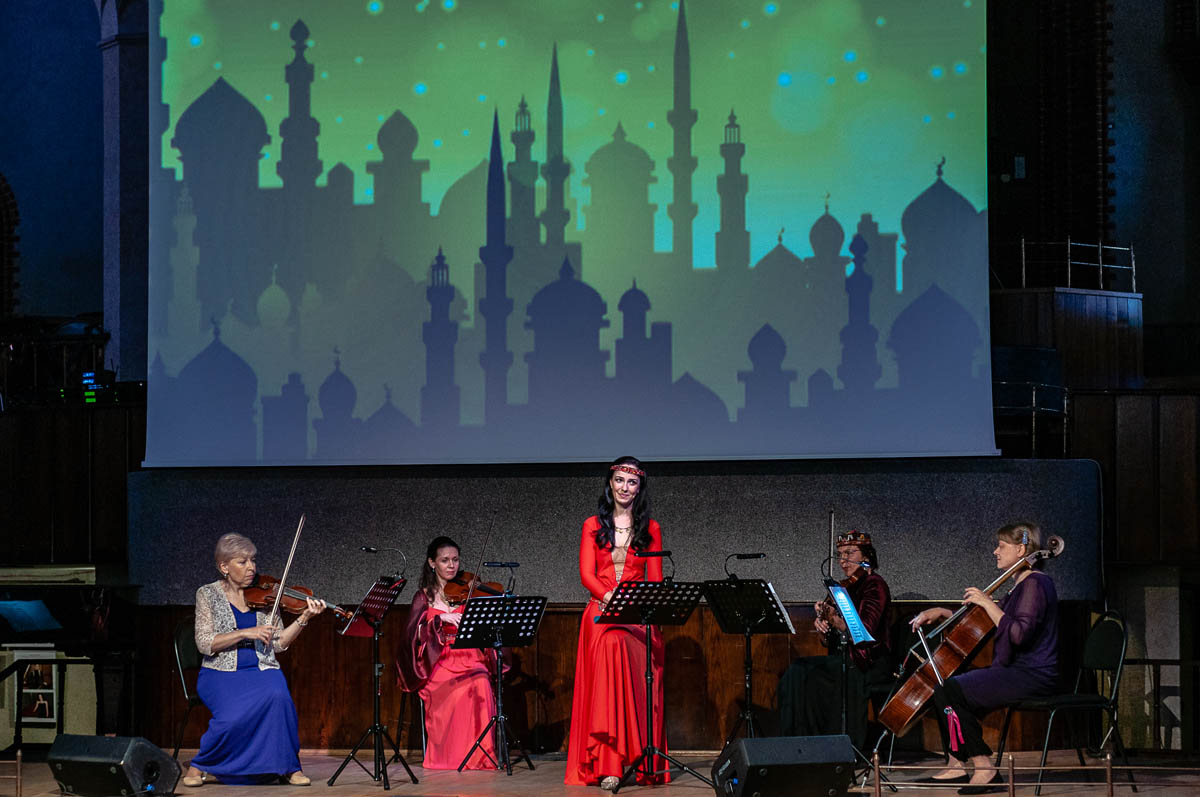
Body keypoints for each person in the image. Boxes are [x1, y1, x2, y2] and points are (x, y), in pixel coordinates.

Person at [909, 522, 1058, 795]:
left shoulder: (1036, 584)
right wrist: (942, 612)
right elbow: (989, 623)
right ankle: (956, 763)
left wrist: (987, 602)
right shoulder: (1019, 586)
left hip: (1032, 674)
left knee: (950, 690)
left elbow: (1018, 634)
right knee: (944, 686)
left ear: (1021, 549)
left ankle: (984, 768)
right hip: (1014, 671)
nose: (995, 552)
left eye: (1001, 546)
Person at [184, 533, 326, 787]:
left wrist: (304, 618)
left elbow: (279, 643)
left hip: (262, 668)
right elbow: (204, 643)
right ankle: (200, 765)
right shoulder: (207, 594)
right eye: (242, 562)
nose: (251, 567)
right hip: (220, 673)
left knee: (279, 697)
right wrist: (244, 633)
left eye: (253, 560)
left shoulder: (267, 595)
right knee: (232, 718)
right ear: (224, 566)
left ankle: (290, 766)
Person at [565, 456, 668, 790]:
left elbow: (655, 580)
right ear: (610, 483)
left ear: (640, 487)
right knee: (610, 645)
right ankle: (609, 764)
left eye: (632, 482)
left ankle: (639, 760)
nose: (625, 487)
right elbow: (587, 575)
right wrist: (611, 598)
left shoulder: (651, 528)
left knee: (631, 657)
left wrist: (639, 607)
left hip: (636, 616)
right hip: (600, 612)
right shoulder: (591, 525)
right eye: (620, 480)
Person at [777, 529, 892, 749]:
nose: (843, 561)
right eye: (840, 555)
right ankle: (800, 743)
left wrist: (835, 619)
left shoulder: (874, 585)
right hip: (844, 658)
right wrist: (822, 626)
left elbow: (864, 632)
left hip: (869, 661)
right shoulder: (841, 588)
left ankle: (829, 745)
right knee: (798, 672)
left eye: (850, 553)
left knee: (804, 672)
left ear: (866, 556)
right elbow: (827, 640)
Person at [395, 536, 498, 770]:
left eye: (455, 560)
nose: (452, 565)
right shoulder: (424, 596)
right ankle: (450, 756)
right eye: (445, 560)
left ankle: (480, 757)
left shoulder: (469, 592)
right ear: (432, 563)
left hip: (469, 656)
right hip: (438, 660)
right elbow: (412, 637)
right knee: (453, 690)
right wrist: (439, 620)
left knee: (481, 681)